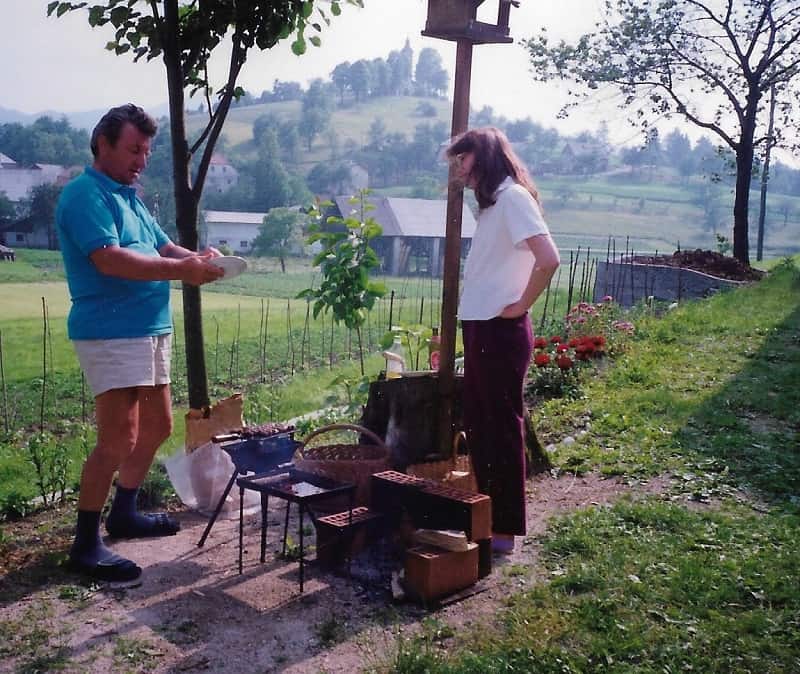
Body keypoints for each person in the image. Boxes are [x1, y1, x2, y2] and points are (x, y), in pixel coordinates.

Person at [56, 104, 225, 582]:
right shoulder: (84, 195)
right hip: (110, 330)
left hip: (149, 327)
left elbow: (162, 247)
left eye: (146, 152)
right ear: (103, 145)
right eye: (133, 149)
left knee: (158, 426)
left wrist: (199, 258)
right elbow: (110, 259)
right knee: (117, 440)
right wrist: (181, 271)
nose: (141, 160)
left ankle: (123, 514)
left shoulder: (129, 197)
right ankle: (85, 545)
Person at [446, 127, 560, 554]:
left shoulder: (513, 198)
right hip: (481, 328)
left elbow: (549, 259)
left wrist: (519, 306)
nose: (460, 169)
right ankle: (489, 520)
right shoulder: (495, 206)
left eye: (465, 159)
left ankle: (504, 531)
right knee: (481, 426)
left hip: (499, 330)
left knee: (499, 429)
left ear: (487, 157)